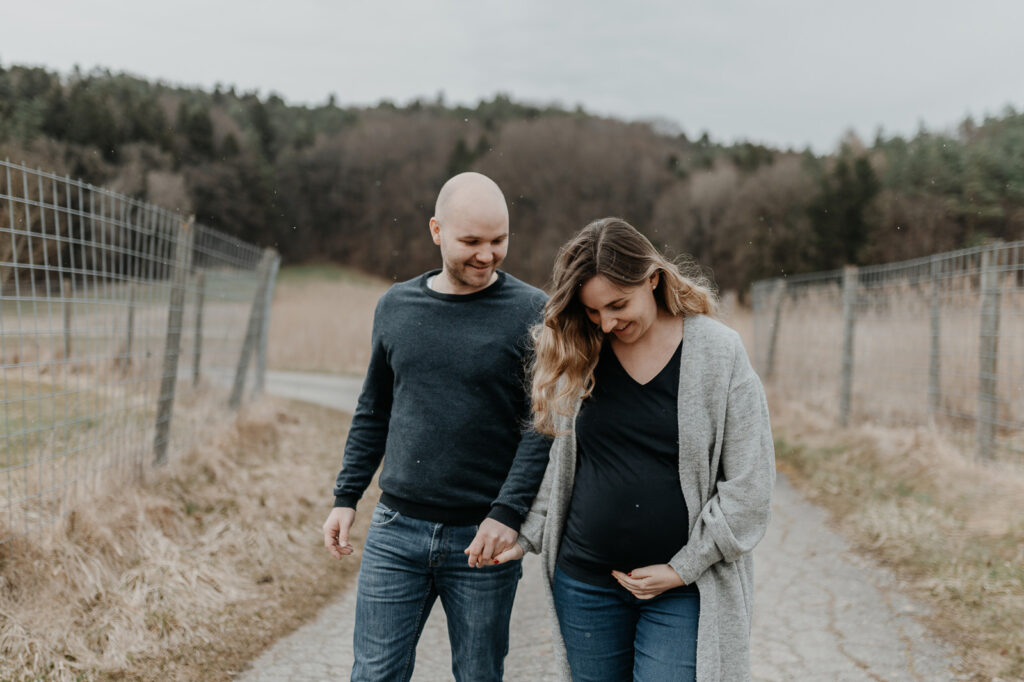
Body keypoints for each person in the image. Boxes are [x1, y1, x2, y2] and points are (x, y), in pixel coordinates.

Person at [495, 217, 776, 681]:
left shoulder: (718, 353)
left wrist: (683, 568)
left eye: (618, 304)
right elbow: (560, 463)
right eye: (593, 311)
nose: (607, 322)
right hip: (585, 585)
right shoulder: (582, 350)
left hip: (684, 590)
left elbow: (751, 489)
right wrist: (524, 532)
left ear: (652, 279)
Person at [322, 172, 550, 682]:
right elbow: (374, 409)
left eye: (499, 240)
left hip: (483, 540)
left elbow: (542, 426)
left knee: (478, 675)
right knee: (374, 675)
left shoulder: (532, 311)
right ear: (436, 231)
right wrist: (346, 496)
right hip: (395, 531)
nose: (487, 255)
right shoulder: (396, 307)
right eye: (472, 241)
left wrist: (508, 513)